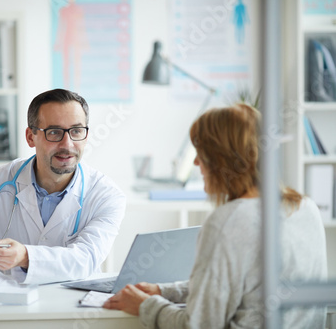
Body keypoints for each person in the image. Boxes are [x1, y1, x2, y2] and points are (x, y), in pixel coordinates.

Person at [103, 104, 327, 328]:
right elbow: (238, 287)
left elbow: (197, 325)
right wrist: (164, 291)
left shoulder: (229, 221)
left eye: (201, 153)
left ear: (221, 159)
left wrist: (145, 305)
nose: (195, 162)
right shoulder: (306, 208)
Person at [0, 88, 126, 285]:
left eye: (76, 131)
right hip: (9, 306)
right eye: (54, 132)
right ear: (31, 137)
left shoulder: (106, 195)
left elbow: (86, 259)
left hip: (72, 307)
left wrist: (25, 256)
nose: (68, 144)